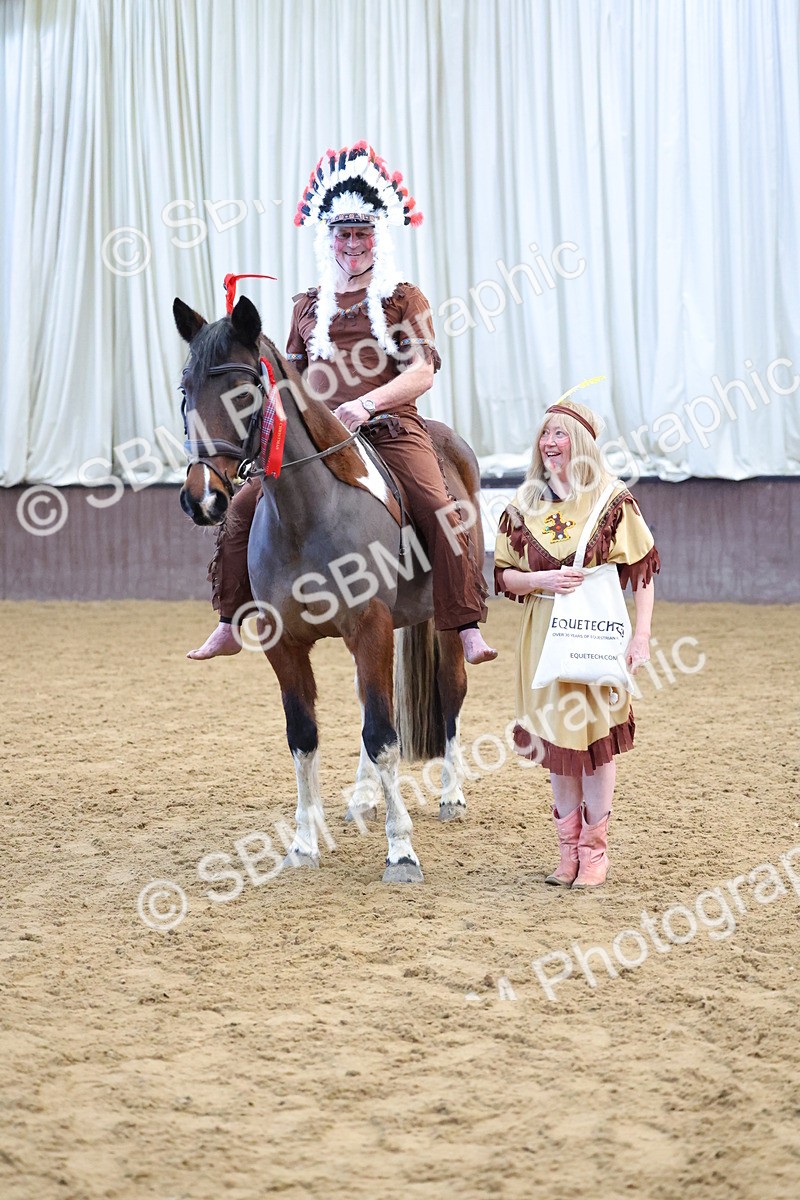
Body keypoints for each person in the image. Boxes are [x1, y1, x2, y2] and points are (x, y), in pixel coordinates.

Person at [188, 143, 496, 665]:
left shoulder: (404, 298)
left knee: (442, 510)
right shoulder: (307, 305)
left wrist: (368, 404)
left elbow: (422, 371)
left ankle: (464, 622)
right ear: (328, 237)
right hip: (313, 437)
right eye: (343, 233)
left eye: (361, 233)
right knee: (240, 509)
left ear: (378, 235)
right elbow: (284, 377)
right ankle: (231, 618)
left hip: (391, 428)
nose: (352, 243)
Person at [493, 390, 659, 888]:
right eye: (544, 433)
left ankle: (594, 852)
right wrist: (541, 581)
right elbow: (503, 577)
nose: (549, 442)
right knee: (556, 745)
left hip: (595, 633)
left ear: (582, 442)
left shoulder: (612, 499)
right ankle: (567, 853)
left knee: (594, 745)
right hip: (542, 637)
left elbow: (643, 569)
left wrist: (642, 637)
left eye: (559, 432)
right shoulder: (524, 504)